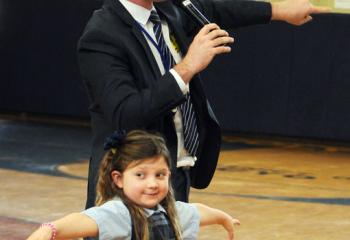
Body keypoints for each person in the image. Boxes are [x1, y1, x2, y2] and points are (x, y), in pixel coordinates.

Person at [78, 0, 329, 207]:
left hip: (172, 173)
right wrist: (187, 67)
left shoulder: (170, 11)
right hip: (129, 187)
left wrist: (278, 11)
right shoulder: (102, 35)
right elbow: (126, 114)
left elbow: (216, 9)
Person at [26, 130, 240, 240]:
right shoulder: (119, 213)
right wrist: (50, 229)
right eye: (140, 175)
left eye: (160, 175)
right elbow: (82, 220)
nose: (152, 183)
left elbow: (198, 212)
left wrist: (224, 219)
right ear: (118, 179)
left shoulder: (171, 212)